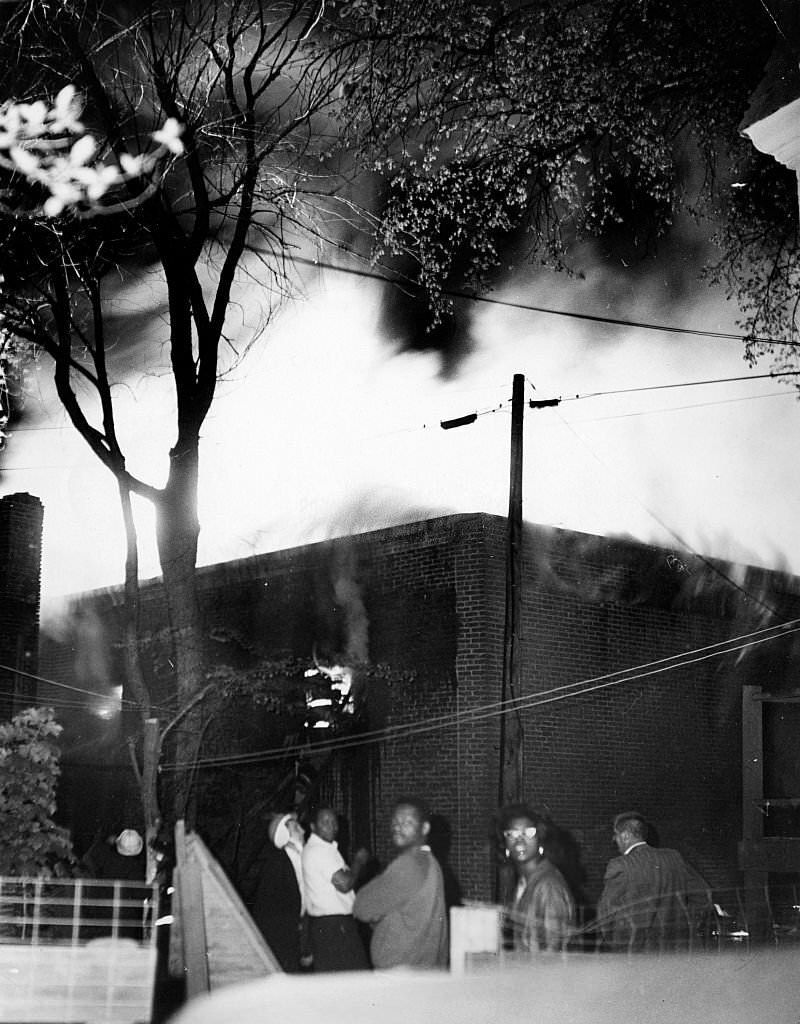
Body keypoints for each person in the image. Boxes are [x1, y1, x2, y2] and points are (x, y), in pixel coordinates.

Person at [595, 811, 712, 952]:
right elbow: (703, 894)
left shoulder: (620, 864)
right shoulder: (674, 857)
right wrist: (689, 926)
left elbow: (606, 913)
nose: (614, 839)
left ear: (625, 835)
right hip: (677, 951)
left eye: (616, 834)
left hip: (637, 954)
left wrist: (618, 945)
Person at [353, 797, 448, 969]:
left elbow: (361, 907)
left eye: (407, 822)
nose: (398, 827)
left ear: (424, 828)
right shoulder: (430, 862)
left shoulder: (408, 865)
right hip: (423, 968)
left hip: (401, 971)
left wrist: (379, 915)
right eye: (395, 822)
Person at [499, 803, 575, 953]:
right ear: (505, 844)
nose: (519, 840)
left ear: (540, 839)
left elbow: (552, 952)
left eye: (528, 832)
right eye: (512, 834)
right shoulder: (523, 882)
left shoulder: (548, 885)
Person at [302, 805, 370, 971]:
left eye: (334, 822)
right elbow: (344, 884)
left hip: (330, 925)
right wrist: (358, 862)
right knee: (357, 981)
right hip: (334, 927)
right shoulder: (319, 851)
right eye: (325, 822)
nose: (331, 826)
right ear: (313, 827)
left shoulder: (327, 849)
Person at [243, 811, 311, 972]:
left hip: (296, 933)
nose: (302, 831)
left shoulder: (301, 858)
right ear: (284, 835)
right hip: (281, 938)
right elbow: (269, 910)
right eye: (296, 828)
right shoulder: (277, 863)